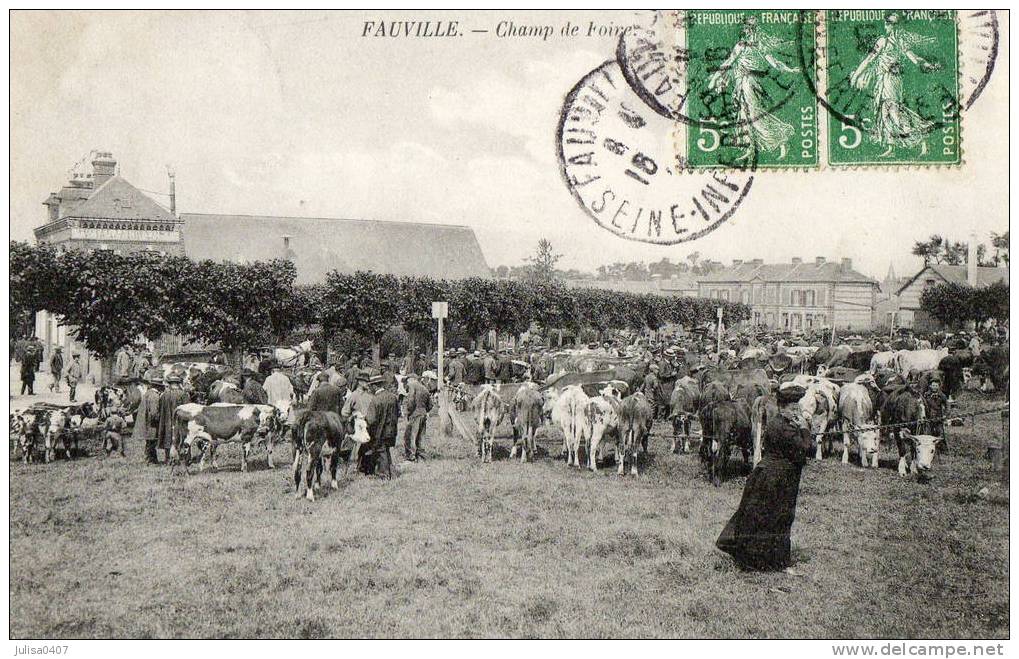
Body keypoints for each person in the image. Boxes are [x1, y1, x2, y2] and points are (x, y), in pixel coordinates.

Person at [716, 383, 813, 572]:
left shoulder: (780, 422)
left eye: (797, 408)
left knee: (761, 517)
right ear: (783, 408)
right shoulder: (785, 428)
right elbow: (806, 448)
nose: (797, 413)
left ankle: (757, 559)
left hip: (769, 477)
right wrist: (805, 429)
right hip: (778, 480)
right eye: (793, 409)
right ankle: (774, 562)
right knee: (779, 518)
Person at [364, 375, 400, 478]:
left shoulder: (375, 400)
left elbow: (371, 420)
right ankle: (391, 472)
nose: (370, 388)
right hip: (392, 429)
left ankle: (384, 474)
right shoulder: (392, 396)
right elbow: (398, 413)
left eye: (371, 386)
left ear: (375, 386)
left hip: (380, 431)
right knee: (386, 450)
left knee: (381, 451)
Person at [156, 374, 190, 463]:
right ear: (178, 383)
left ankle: (168, 458)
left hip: (166, 420)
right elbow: (188, 408)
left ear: (170, 384)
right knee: (180, 437)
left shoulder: (164, 395)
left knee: (167, 437)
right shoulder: (183, 394)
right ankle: (182, 458)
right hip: (179, 420)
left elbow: (159, 408)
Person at [403, 371, 434, 462]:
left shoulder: (412, 386)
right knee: (421, 436)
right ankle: (421, 456)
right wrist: (424, 411)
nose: (407, 383)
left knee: (410, 435)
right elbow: (430, 404)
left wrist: (408, 412)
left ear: (412, 379)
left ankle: (411, 456)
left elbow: (411, 401)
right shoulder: (424, 388)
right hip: (423, 413)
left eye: (407, 380)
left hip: (415, 414)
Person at [133, 376, 162, 464]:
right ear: (159, 386)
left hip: (146, 421)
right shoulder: (155, 396)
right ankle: (149, 460)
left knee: (149, 442)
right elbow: (153, 413)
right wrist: (159, 420)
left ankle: (152, 459)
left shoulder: (148, 393)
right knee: (152, 441)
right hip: (151, 423)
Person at [923, 379, 950, 453]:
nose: (934, 387)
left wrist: (945, 415)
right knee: (928, 434)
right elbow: (922, 404)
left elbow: (947, 405)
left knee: (940, 433)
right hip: (928, 418)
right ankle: (929, 450)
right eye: (933, 385)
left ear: (938, 386)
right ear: (930, 386)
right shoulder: (926, 395)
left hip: (939, 417)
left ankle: (943, 450)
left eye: (936, 385)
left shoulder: (942, 395)